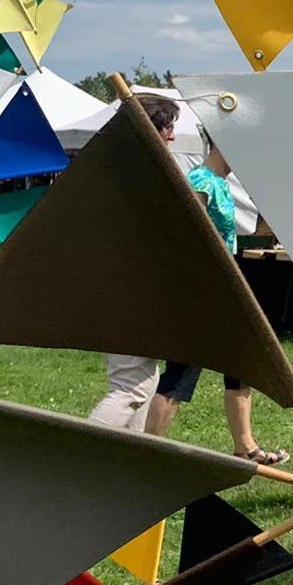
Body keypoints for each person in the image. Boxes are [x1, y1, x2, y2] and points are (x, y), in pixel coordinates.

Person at [144, 133, 290, 466]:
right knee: (180, 374)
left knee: (241, 367)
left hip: (226, 289)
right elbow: (186, 234)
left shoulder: (221, 185)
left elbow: (231, 237)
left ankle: (245, 446)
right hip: (203, 292)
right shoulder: (200, 182)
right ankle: (148, 448)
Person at [88, 94, 179, 431]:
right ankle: (78, 451)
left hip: (130, 285)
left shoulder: (126, 167)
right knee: (131, 386)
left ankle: (126, 458)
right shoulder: (136, 172)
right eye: (168, 127)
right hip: (128, 287)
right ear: (151, 128)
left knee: (145, 379)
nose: (172, 136)